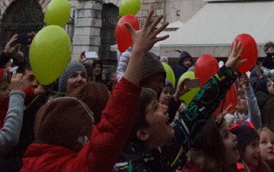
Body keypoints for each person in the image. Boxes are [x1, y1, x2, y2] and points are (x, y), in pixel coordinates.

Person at [18, 11, 165, 172]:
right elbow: (113, 124)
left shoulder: (29, 162)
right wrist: (137, 53)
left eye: (82, 75)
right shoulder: (76, 167)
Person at [115, 36, 245, 172]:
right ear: (143, 133)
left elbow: (197, 111)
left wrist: (226, 72)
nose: (165, 107)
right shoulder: (130, 167)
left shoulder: (166, 146)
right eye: (155, 107)